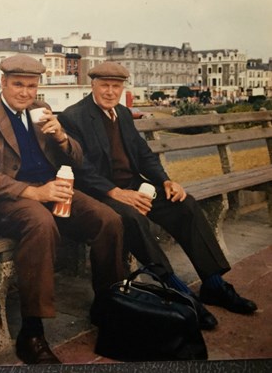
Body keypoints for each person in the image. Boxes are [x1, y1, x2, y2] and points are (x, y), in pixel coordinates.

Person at [58, 61, 257, 330]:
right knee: (132, 219)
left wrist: (166, 181)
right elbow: (81, 169)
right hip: (100, 193)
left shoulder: (123, 114)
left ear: (122, 87)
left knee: (184, 204)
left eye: (116, 86)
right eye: (104, 85)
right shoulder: (74, 117)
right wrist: (116, 193)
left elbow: (143, 154)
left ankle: (214, 284)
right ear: (92, 85)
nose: (109, 92)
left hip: (134, 186)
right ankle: (177, 292)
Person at [0, 54, 125, 365]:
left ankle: (109, 307)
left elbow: (76, 156)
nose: (24, 92)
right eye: (18, 85)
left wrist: (61, 136)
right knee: (40, 222)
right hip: (3, 202)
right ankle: (32, 333)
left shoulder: (40, 113)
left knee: (108, 219)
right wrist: (33, 192)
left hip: (49, 191)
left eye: (31, 86)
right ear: (3, 83)